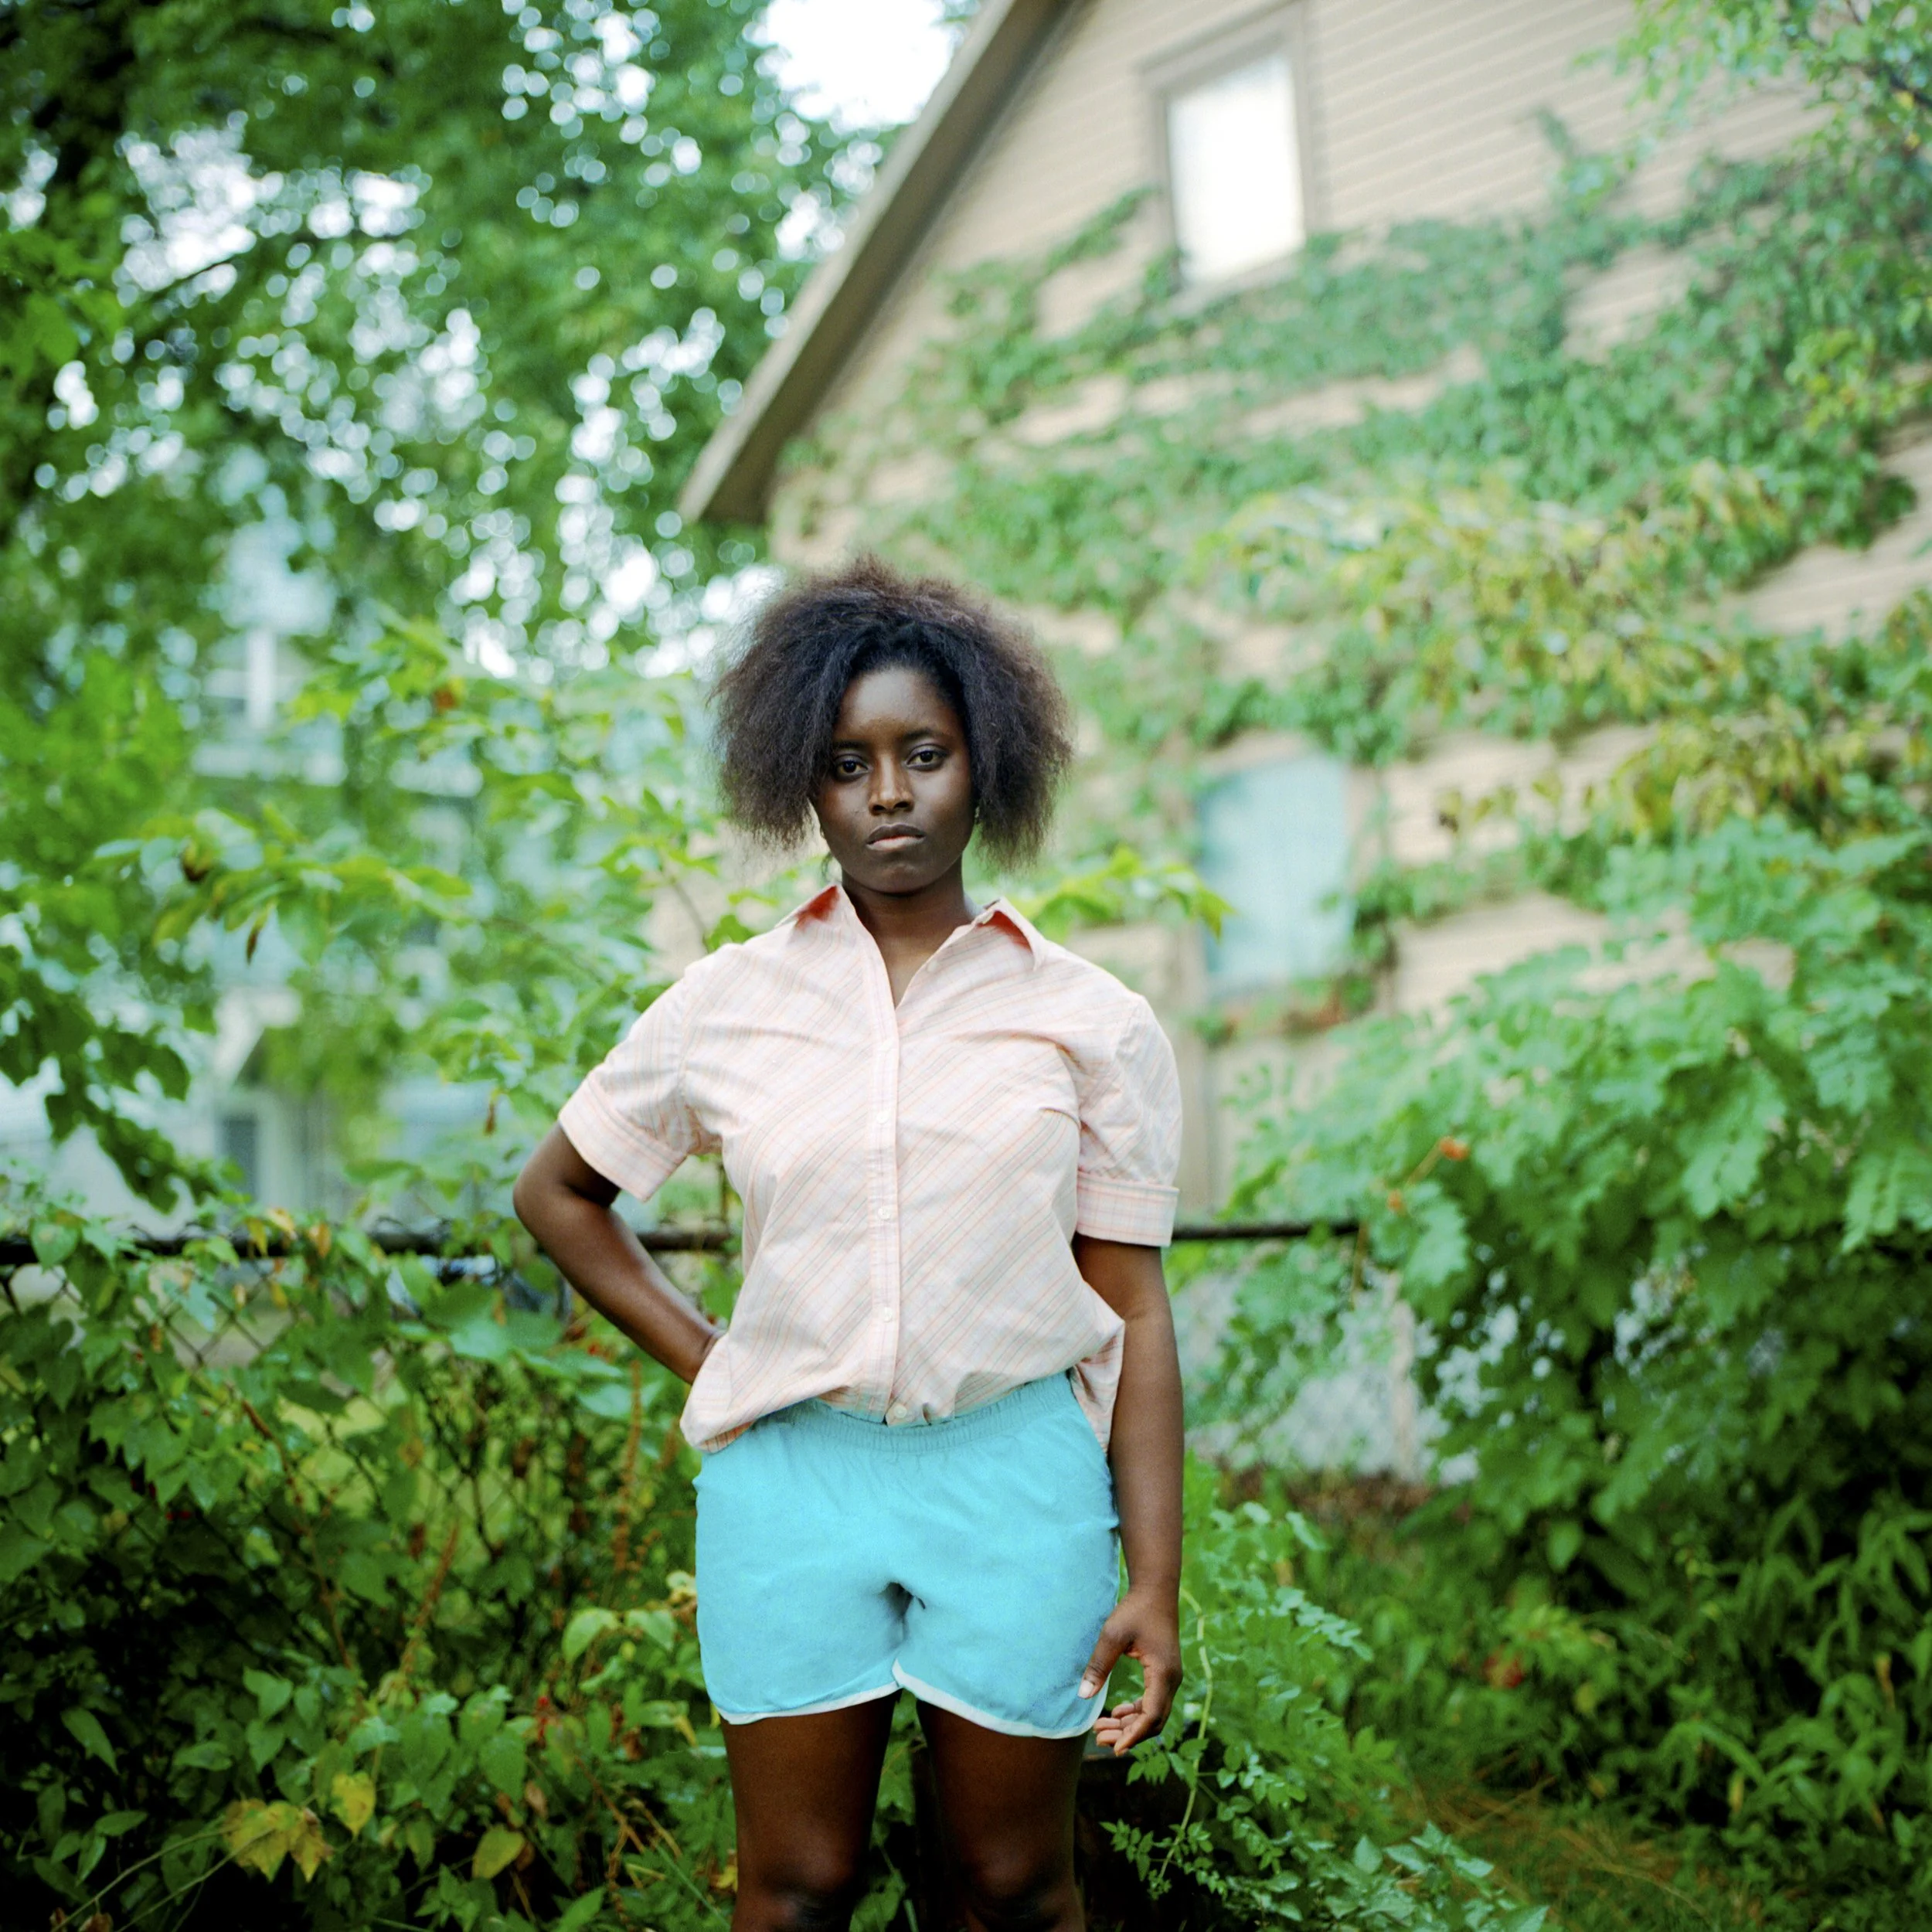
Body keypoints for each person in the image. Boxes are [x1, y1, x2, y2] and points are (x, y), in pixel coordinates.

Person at [513, 557, 1185, 1931]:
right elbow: (559, 1193)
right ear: (801, 786)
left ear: (982, 763)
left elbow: (1135, 1305)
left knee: (1012, 1885)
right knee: (799, 1887)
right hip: (790, 1485)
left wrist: (1158, 1579)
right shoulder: (726, 1005)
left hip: (1014, 1477)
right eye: (847, 763)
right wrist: (714, 1362)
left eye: (923, 754)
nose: (889, 793)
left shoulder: (1091, 1022)